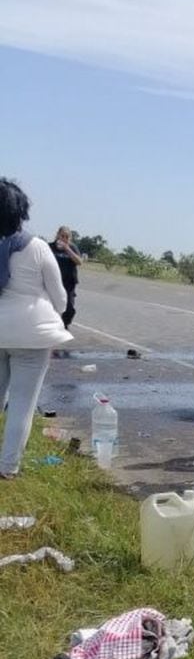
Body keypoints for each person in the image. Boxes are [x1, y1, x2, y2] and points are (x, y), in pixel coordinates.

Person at [0, 178, 73, 478]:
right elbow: (61, 299)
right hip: (32, 334)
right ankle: (7, 467)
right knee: (21, 404)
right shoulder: (38, 247)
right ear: (21, 212)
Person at [48, 226, 82, 328]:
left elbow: (79, 262)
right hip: (53, 281)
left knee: (69, 307)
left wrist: (67, 249)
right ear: (57, 235)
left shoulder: (72, 247)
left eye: (67, 237)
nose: (64, 238)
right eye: (62, 236)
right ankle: (50, 324)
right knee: (50, 304)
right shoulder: (50, 247)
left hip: (69, 282)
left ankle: (65, 324)